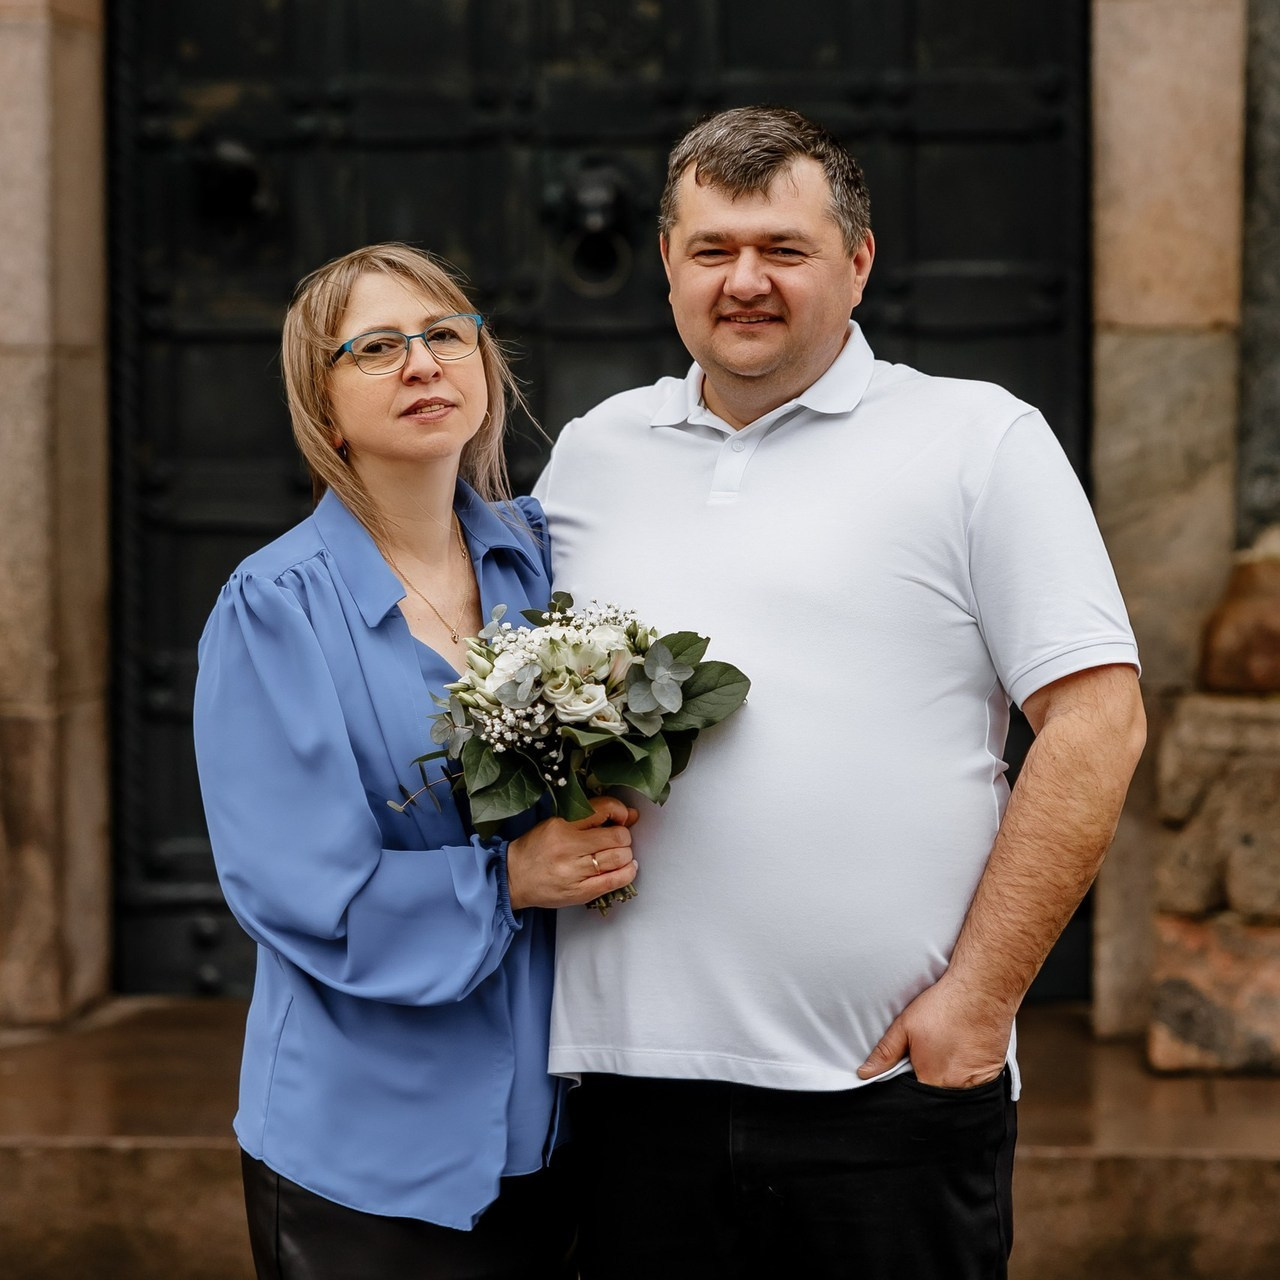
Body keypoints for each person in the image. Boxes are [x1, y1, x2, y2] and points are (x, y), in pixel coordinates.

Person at [534, 107, 1146, 1279]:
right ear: (665, 263)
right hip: (623, 1089)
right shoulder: (594, 450)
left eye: (783, 249)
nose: (744, 282)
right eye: (712, 250)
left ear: (857, 262)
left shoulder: (975, 439)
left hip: (884, 1092)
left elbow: (1096, 720)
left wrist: (978, 1000)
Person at [192, 242, 637, 1280]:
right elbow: (298, 881)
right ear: (324, 404)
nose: (424, 363)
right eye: (378, 347)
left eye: (445, 334)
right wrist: (511, 877)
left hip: (560, 1131)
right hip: (370, 1147)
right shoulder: (275, 607)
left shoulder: (543, 561)